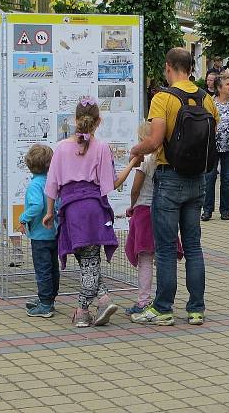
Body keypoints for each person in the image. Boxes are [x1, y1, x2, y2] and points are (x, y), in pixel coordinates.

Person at [129, 47, 219, 327]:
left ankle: (163, 307)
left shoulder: (163, 98)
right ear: (191, 67)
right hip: (198, 179)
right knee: (193, 246)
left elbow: (154, 141)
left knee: (166, 248)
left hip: (169, 178)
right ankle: (196, 309)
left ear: (169, 67)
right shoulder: (207, 99)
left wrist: (135, 149)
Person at [43, 98, 142, 328]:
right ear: (99, 121)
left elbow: (52, 185)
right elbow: (112, 183)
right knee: (89, 260)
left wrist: (49, 211)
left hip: (72, 211)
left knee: (86, 261)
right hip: (95, 209)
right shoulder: (102, 148)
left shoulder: (60, 148)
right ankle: (103, 299)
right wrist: (133, 163)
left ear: (75, 120)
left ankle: (82, 312)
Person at [123, 121, 183, 317]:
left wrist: (132, 205)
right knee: (165, 257)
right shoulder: (165, 158)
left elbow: (135, 189)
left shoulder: (145, 161)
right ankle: (164, 300)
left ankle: (143, 301)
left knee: (146, 260)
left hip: (144, 211)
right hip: (166, 210)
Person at [18, 144, 59, 319]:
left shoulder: (35, 185)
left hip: (40, 235)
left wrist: (23, 218)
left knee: (42, 269)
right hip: (54, 233)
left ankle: (45, 304)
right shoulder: (51, 181)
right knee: (52, 269)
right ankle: (49, 298)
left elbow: (37, 205)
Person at [202, 75, 229, 221]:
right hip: (212, 147)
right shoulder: (209, 102)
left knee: (227, 180)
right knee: (209, 179)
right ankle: (207, 210)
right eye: (227, 84)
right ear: (219, 88)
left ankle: (225, 210)